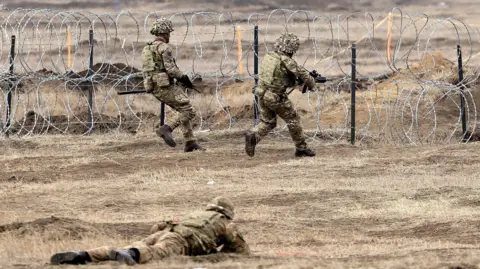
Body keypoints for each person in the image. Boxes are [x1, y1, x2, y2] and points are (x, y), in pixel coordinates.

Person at [50, 196, 249, 265]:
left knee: (131, 247)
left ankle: (85, 255)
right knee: (155, 253)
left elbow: (156, 227)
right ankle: (130, 254)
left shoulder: (195, 214)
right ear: (228, 213)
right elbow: (240, 251)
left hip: (166, 231)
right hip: (181, 240)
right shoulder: (224, 223)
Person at [245, 31, 317, 157]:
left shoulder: (270, 56)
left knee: (268, 122)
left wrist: (294, 81)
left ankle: (253, 135)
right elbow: (304, 75)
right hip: (275, 97)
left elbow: (278, 78)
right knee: (293, 119)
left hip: (261, 94)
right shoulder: (287, 61)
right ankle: (301, 148)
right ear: (292, 48)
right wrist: (312, 84)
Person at [142, 17, 205, 152]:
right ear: (165, 33)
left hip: (153, 86)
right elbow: (171, 70)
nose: (169, 35)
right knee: (188, 110)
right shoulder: (164, 48)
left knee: (182, 109)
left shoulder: (147, 48)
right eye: (169, 33)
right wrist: (184, 78)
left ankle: (190, 141)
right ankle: (166, 129)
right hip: (165, 86)